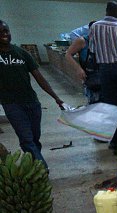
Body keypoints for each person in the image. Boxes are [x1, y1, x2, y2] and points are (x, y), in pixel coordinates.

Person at [0, 20, 65, 168]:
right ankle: (42, 168)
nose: (5, 34)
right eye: (1, 32)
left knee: (35, 139)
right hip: (12, 105)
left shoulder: (22, 53)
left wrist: (56, 98)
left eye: (6, 31)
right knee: (26, 139)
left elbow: (40, 78)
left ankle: (34, 163)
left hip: (31, 102)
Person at [89, 1, 117, 150]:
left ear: (106, 11)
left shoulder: (95, 27)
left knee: (111, 107)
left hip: (105, 70)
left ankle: (114, 141)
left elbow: (93, 49)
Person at [64, 21, 99, 104]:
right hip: (90, 76)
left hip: (102, 75)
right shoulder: (82, 41)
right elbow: (68, 55)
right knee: (93, 102)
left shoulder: (102, 41)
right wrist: (78, 69)